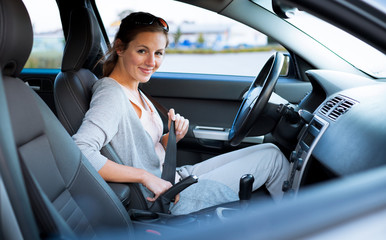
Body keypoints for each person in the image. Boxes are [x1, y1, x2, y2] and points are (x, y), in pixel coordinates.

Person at [73, 12, 289, 215]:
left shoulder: (133, 88)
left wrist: (171, 139)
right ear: (120, 48)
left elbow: (143, 150)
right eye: (142, 51)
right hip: (168, 198)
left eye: (158, 53)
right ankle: (308, 224)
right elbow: (80, 151)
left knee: (270, 149)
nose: (152, 62)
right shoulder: (111, 93)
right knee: (273, 160)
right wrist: (145, 177)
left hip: (175, 178)